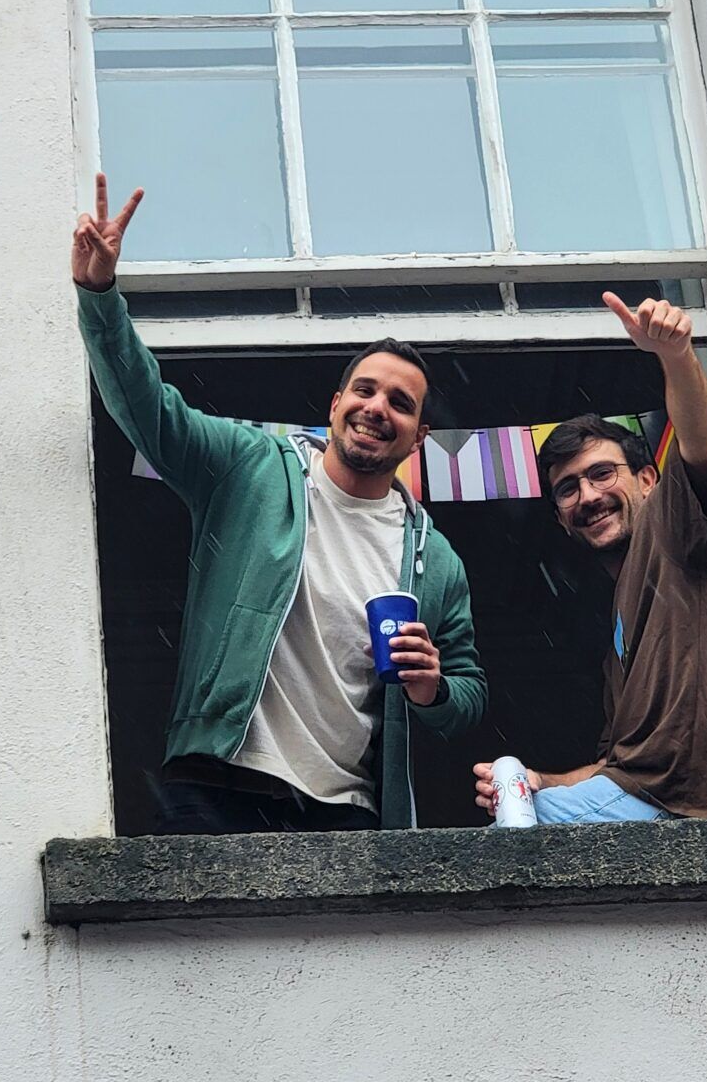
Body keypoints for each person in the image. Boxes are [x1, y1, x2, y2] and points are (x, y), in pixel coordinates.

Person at [72, 174, 486, 834]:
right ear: (335, 404)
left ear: (420, 437)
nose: (377, 407)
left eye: (400, 403)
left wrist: (432, 687)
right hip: (216, 783)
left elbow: (468, 694)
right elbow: (149, 412)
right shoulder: (250, 467)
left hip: (347, 814)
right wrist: (100, 296)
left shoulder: (434, 559)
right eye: (365, 390)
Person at [474, 291, 707, 824]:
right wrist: (541, 779)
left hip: (703, 814)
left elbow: (701, 442)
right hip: (650, 805)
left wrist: (675, 355)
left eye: (601, 474)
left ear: (648, 480)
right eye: (568, 489)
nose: (588, 497)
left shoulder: (675, 531)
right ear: (559, 518)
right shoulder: (617, 635)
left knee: (521, 849)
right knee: (525, 809)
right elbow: (618, 770)